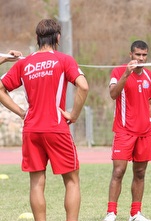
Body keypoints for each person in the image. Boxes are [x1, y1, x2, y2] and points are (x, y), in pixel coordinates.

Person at [0, 19, 89, 221]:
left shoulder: (24, 63)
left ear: (37, 38)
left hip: (32, 129)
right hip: (56, 127)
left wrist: (22, 113)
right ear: (58, 37)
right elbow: (83, 86)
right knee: (72, 181)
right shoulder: (64, 59)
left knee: (37, 183)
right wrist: (73, 115)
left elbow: (0, 89)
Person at [103, 40, 151, 221]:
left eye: (144, 55)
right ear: (131, 55)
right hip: (124, 131)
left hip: (144, 133)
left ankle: (135, 213)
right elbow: (113, 94)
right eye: (138, 55)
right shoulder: (119, 71)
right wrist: (126, 75)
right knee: (118, 172)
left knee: (140, 173)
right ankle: (111, 213)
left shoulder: (150, 76)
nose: (141, 58)